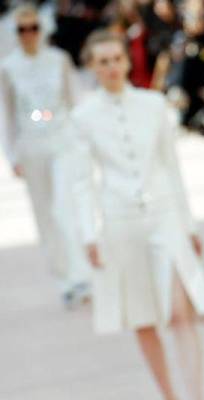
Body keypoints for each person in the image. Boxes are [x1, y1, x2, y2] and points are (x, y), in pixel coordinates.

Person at [69, 30, 204, 400]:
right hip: (119, 221)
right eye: (103, 61)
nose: (112, 67)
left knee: (178, 312)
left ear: (127, 61)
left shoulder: (154, 106)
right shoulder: (84, 117)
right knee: (143, 317)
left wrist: (188, 223)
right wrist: (89, 233)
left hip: (164, 215)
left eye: (117, 58)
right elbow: (83, 182)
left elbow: (172, 166)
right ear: (92, 67)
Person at [0, 3, 91, 307]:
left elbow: (75, 99)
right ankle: (63, 277)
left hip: (62, 139)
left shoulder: (58, 60)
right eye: (22, 29)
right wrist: (11, 154)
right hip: (32, 145)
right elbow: (7, 115)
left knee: (66, 207)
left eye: (33, 28)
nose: (28, 35)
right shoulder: (9, 67)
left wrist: (82, 140)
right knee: (44, 212)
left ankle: (81, 274)